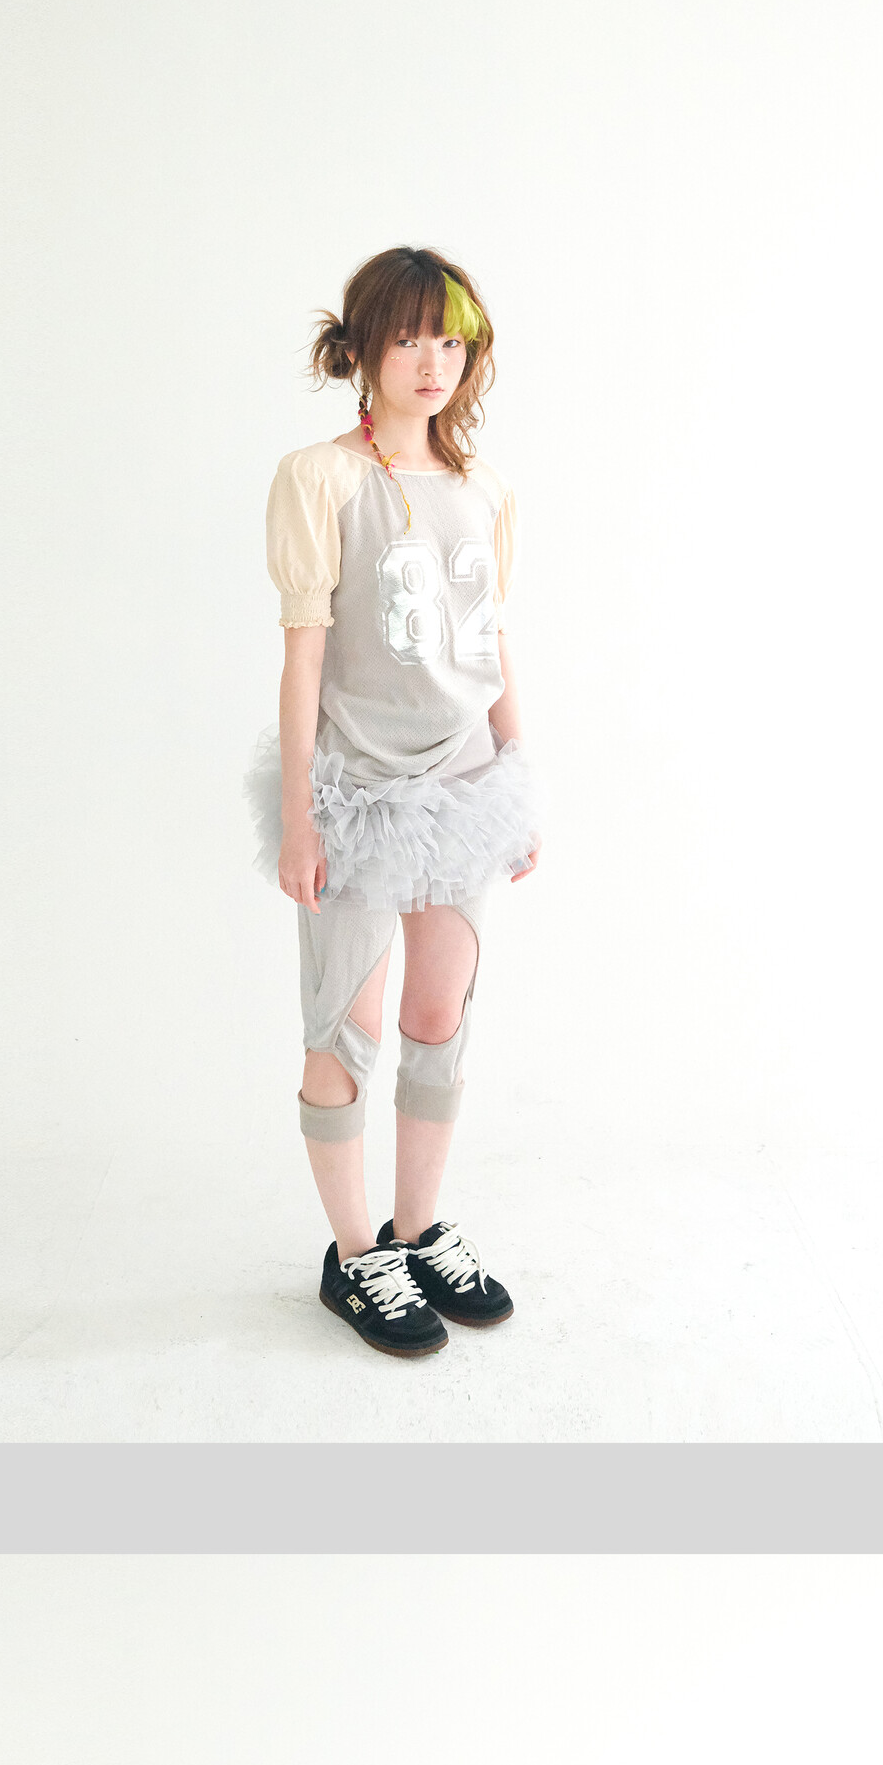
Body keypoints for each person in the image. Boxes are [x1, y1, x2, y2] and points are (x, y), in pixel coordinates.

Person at [248, 244, 541, 1358]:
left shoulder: (484, 488)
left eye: (451, 341)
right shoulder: (320, 478)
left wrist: (516, 776)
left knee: (437, 1016)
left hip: (463, 788)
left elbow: (493, 640)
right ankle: (354, 1252)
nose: (432, 361)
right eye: (410, 337)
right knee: (349, 1025)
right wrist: (300, 814)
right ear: (363, 348)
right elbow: (303, 658)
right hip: (360, 789)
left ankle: (417, 1231)